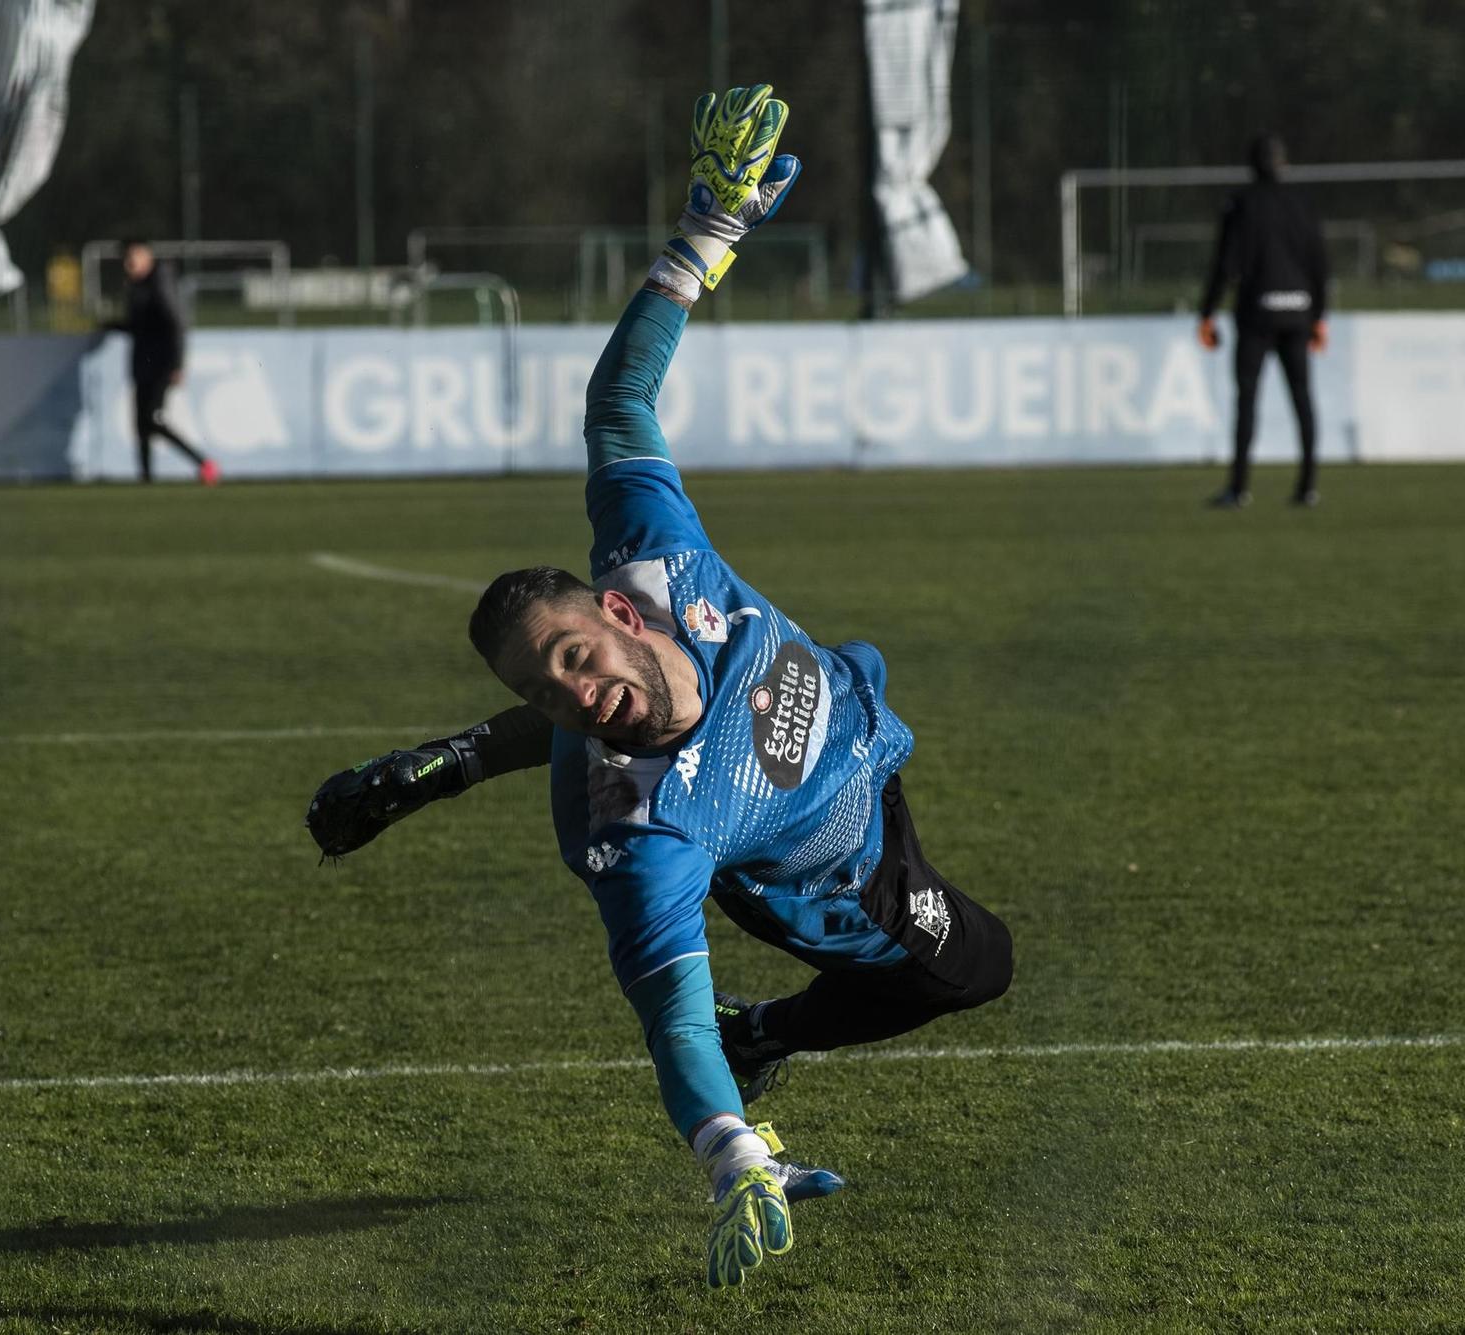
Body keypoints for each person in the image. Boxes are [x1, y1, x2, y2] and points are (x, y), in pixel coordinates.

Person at [304, 86, 1012, 1289]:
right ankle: (773, 1032)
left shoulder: (652, 553)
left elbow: (618, 398)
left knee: (617, 727)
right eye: (552, 689)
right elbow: (668, 1020)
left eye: (576, 657)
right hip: (828, 871)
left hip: (854, 741)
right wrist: (733, 1155)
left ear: (617, 610)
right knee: (974, 968)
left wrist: (712, 226)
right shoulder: (642, 837)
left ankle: (441, 765)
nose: (576, 692)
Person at [1197, 133, 1328, 509]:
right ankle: (1307, 487)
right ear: (1283, 163)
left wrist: (1207, 312)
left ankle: (1238, 488)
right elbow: (1319, 263)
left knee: (1248, 399)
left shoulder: (1241, 204)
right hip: (1299, 312)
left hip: (1257, 314)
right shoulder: (1303, 203)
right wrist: (1319, 316)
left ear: (1251, 165)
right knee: (1302, 399)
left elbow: (1225, 263)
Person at [107, 240, 218, 485]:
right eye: (126, 259)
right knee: (141, 425)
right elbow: (138, 327)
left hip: (161, 364)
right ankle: (146, 478)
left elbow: (175, 324)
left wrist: (177, 363)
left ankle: (204, 464)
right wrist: (112, 324)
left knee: (153, 418)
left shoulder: (160, 283)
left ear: (147, 256)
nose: (129, 264)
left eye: (133, 257)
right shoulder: (137, 287)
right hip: (142, 363)